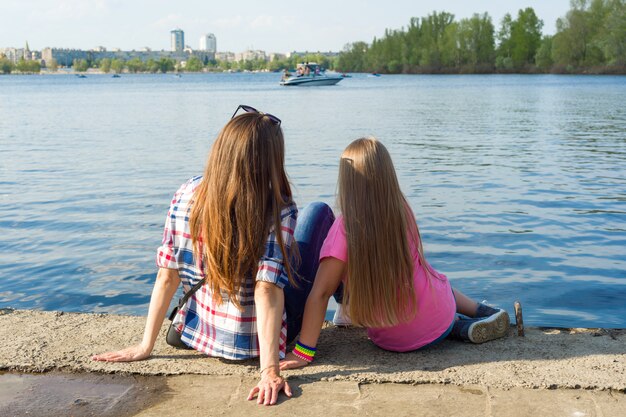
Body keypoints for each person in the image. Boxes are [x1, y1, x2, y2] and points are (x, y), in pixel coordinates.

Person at [92, 105, 336, 406]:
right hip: (254, 346)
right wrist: (269, 370)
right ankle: (348, 306)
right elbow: (266, 289)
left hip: (199, 335)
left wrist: (145, 345)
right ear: (270, 160)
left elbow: (167, 275)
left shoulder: (186, 193)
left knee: (290, 249)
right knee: (320, 213)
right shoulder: (280, 208)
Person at [280, 137, 510, 370]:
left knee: (415, 292)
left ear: (347, 180)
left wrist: (303, 353)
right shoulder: (402, 211)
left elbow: (320, 294)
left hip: (390, 340)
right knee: (432, 278)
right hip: (437, 317)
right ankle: (478, 313)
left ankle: (460, 326)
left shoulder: (343, 229)